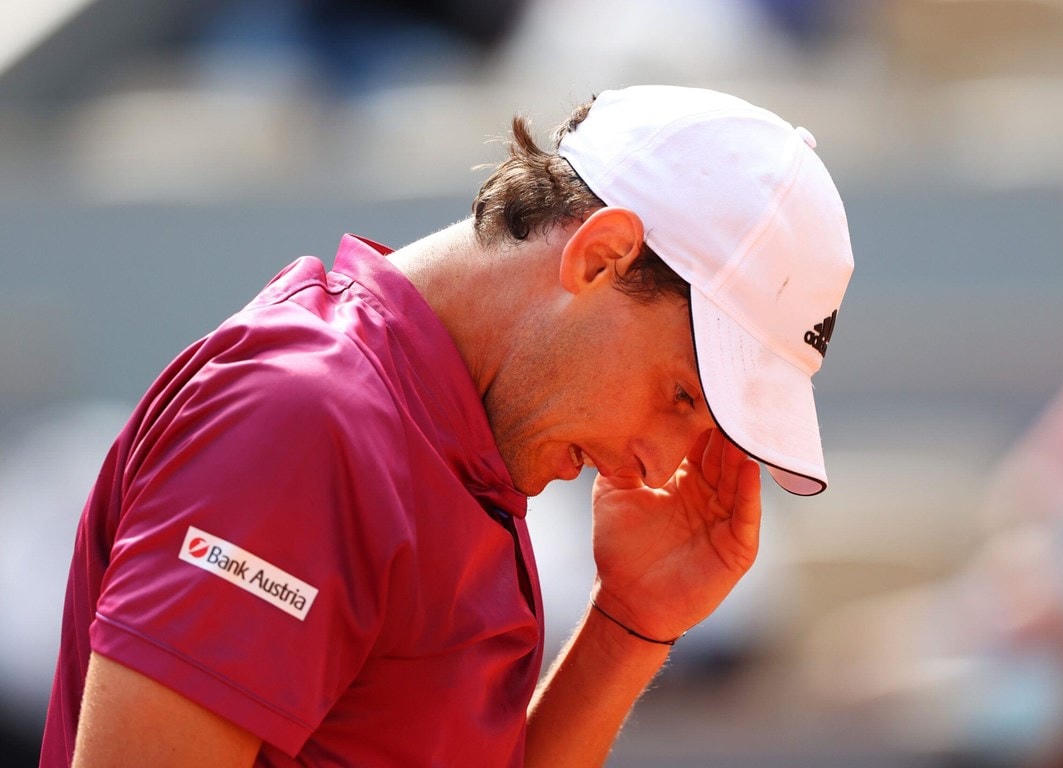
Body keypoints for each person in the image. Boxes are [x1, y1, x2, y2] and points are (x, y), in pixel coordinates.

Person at [40, 85, 854, 767]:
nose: (659, 465)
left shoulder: (446, 445)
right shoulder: (304, 419)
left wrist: (630, 623)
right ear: (601, 257)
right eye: (682, 397)